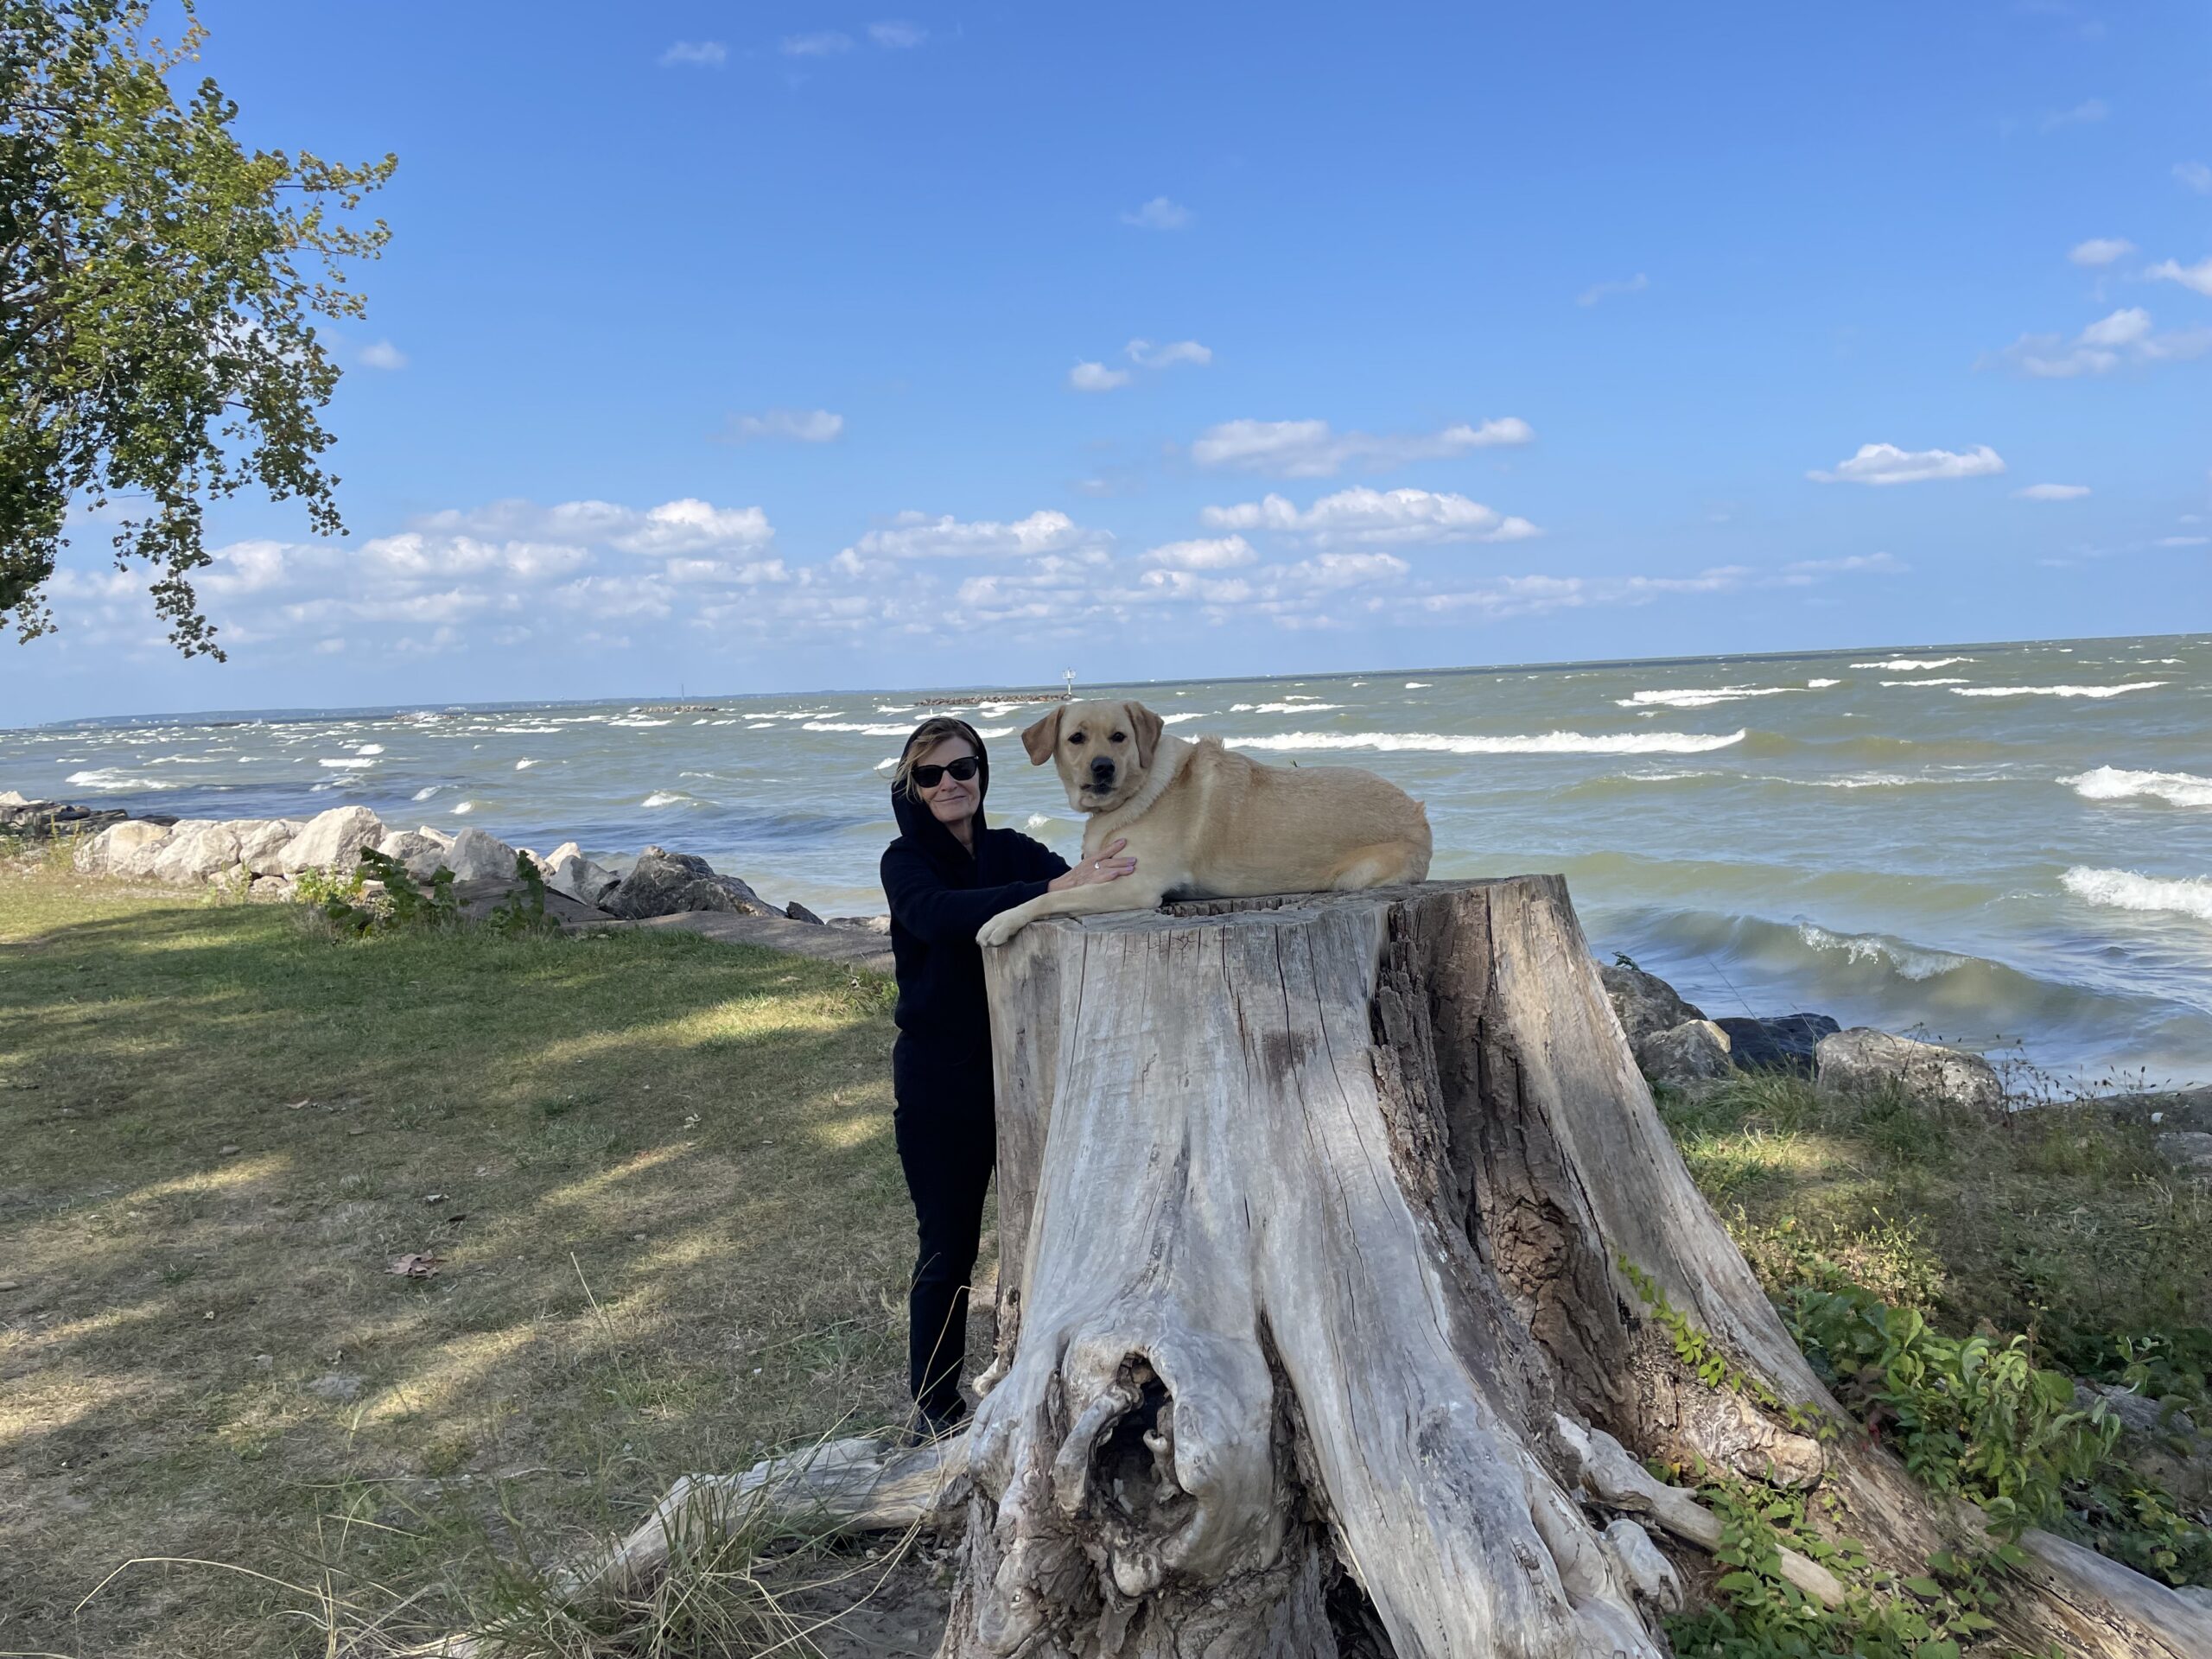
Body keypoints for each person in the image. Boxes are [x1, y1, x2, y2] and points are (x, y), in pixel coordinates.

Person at [879, 715, 1135, 1437]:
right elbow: (938, 917)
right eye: (930, 774)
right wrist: (1050, 887)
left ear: (981, 774)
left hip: (1029, 1076)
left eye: (962, 768)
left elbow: (1090, 881)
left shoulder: (1011, 850)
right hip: (940, 1086)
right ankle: (936, 1409)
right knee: (948, 1249)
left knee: (1053, 1234)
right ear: (912, 786)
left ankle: (1054, 1381)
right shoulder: (904, 862)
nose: (949, 784)